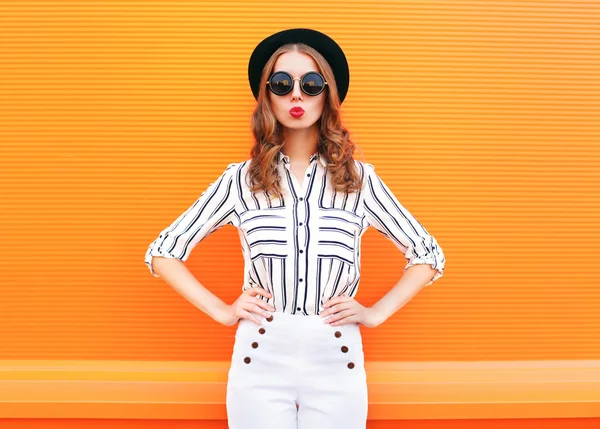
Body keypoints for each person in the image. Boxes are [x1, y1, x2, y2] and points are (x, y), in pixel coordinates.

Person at [144, 27, 445, 429]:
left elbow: (428, 255)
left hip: (335, 355)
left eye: (311, 83)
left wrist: (375, 314)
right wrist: (223, 311)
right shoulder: (241, 180)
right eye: (282, 84)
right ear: (267, 96)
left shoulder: (359, 180)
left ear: (327, 94)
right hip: (261, 354)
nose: (297, 96)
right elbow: (164, 251)